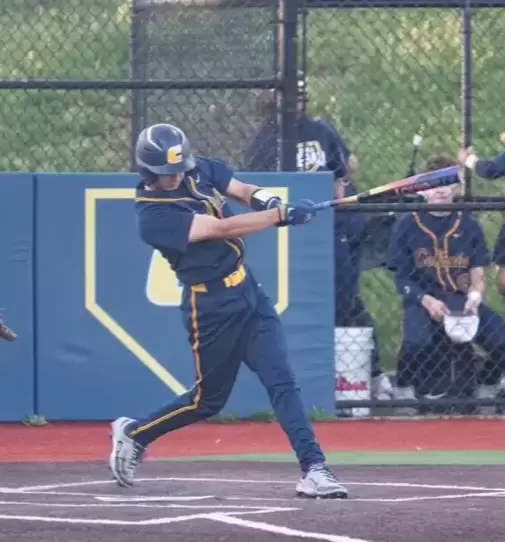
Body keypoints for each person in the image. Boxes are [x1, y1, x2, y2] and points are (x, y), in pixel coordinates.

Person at [108, 123, 348, 499]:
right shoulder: (152, 217)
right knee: (207, 401)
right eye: (167, 173)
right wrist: (280, 216)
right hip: (210, 308)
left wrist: (270, 202)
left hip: (248, 292)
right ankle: (135, 433)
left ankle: (314, 468)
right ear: (148, 172)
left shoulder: (199, 168)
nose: (176, 177)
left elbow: (244, 191)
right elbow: (221, 228)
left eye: (178, 169)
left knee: (282, 381)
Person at [243, 73, 392, 400]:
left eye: (299, 96)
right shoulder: (265, 140)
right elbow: (255, 188)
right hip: (294, 234)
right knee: (303, 302)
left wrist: (338, 191)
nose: (295, 103)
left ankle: (370, 375)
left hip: (337, 226)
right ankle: (312, 380)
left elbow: (343, 170)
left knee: (346, 299)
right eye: (288, 97)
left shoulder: (319, 130)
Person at [388, 154, 505, 411]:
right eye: (434, 184)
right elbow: (401, 278)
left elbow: (477, 273)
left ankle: (486, 384)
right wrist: (425, 300)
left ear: (457, 186)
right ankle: (404, 388)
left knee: (501, 339)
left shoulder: (468, 225)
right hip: (422, 298)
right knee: (416, 341)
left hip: (460, 300)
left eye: (447, 182)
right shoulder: (407, 225)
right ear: (423, 189)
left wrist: (474, 298)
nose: (441, 190)